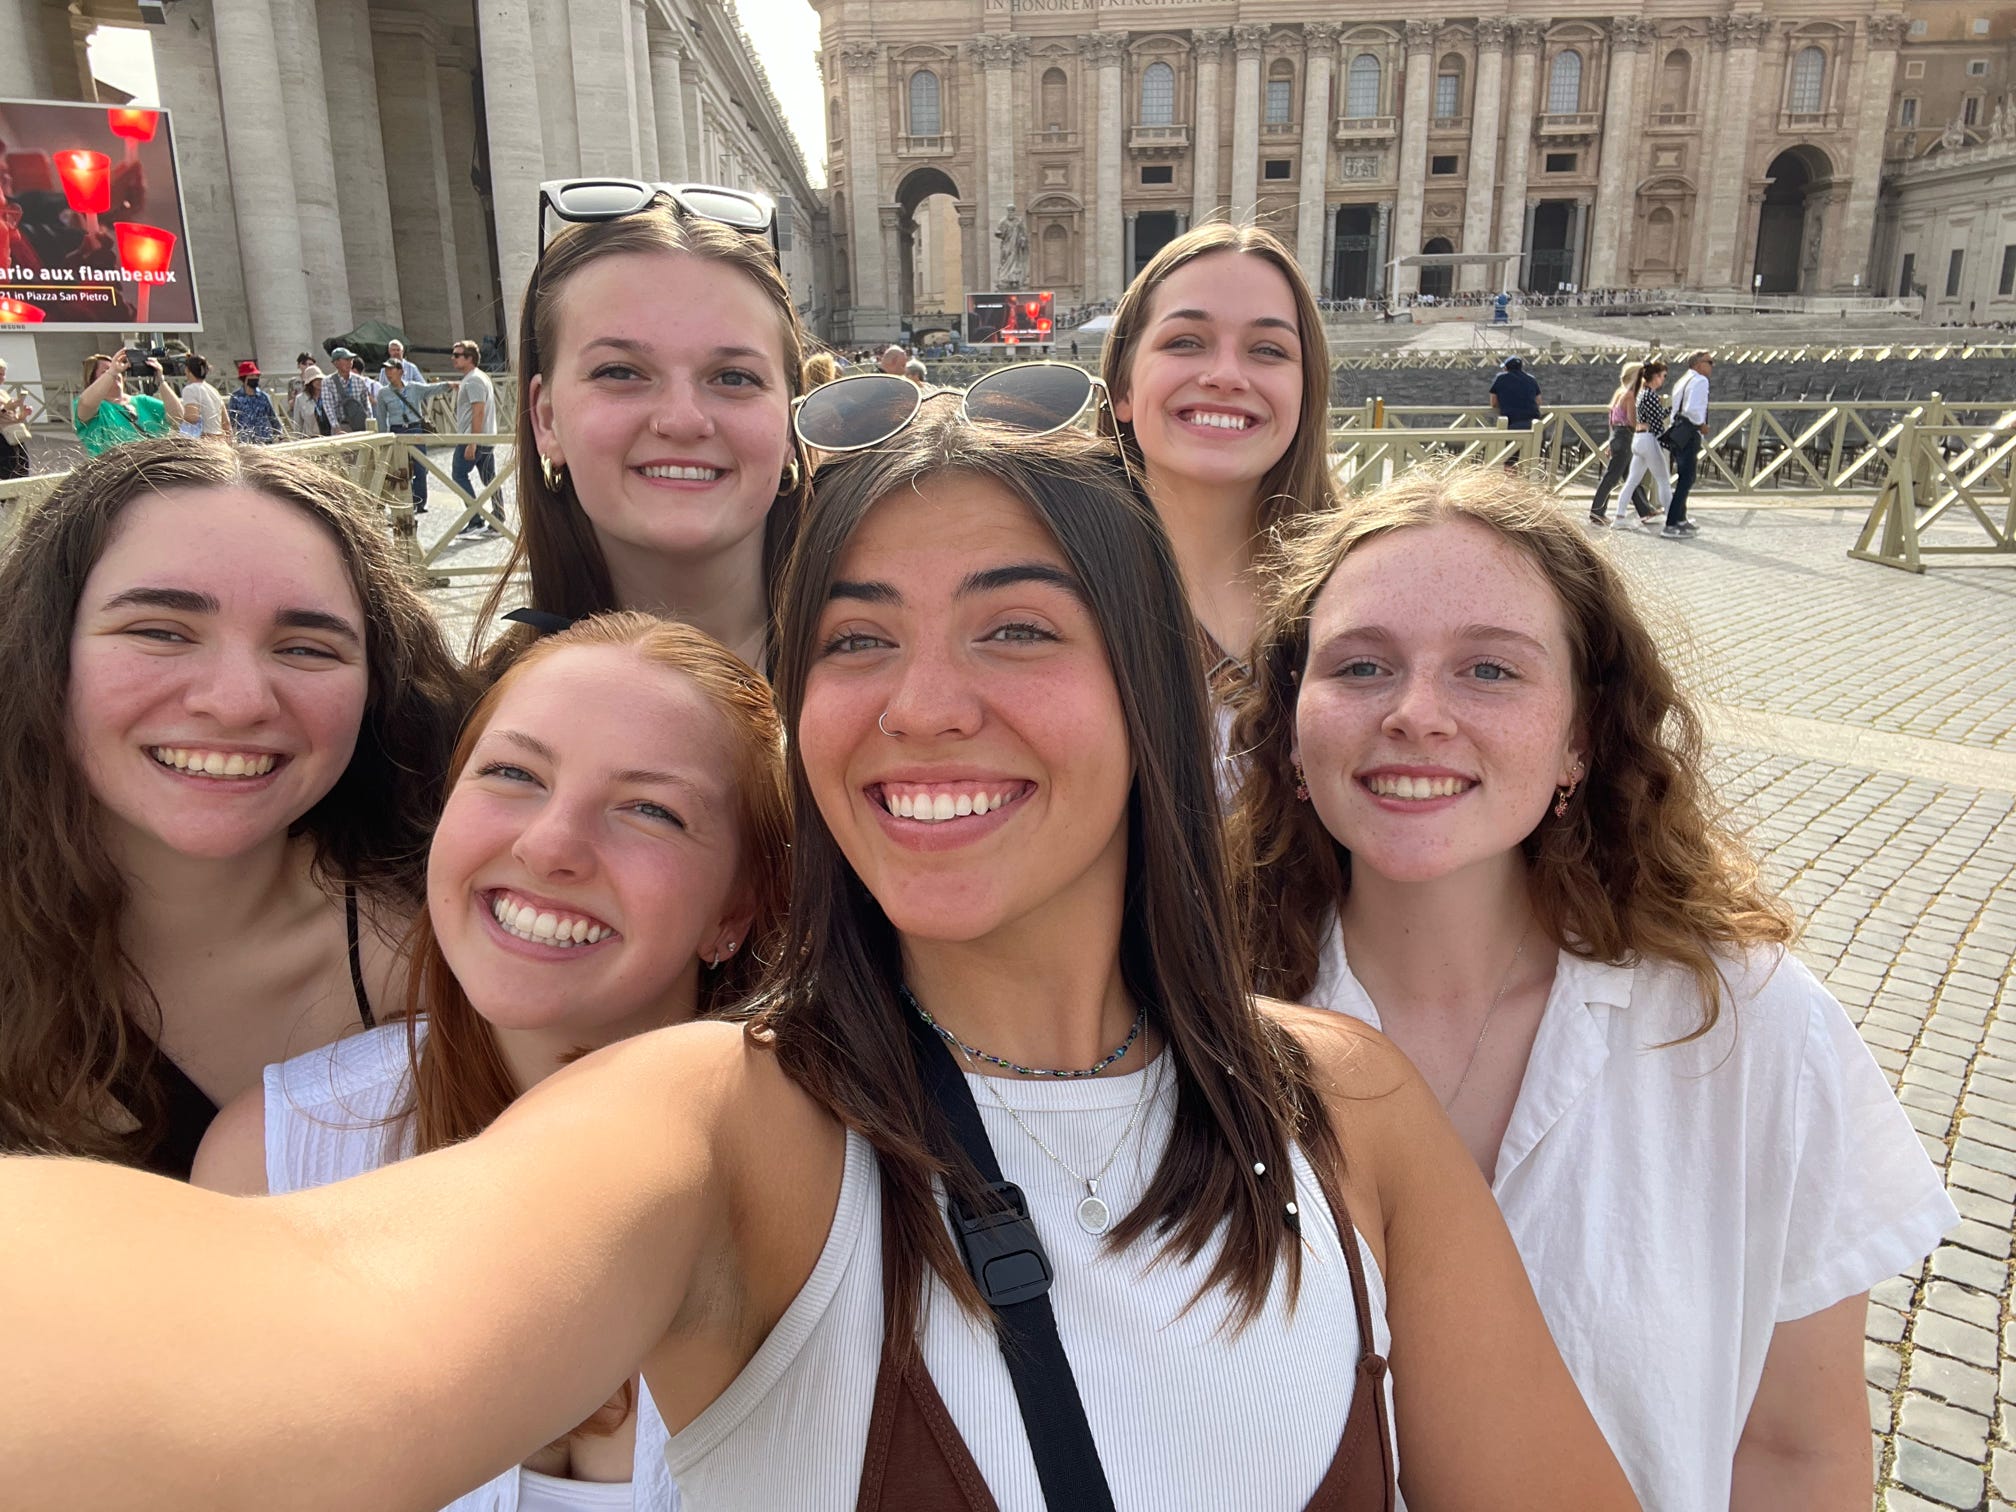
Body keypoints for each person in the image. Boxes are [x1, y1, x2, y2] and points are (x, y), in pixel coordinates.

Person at [0, 412, 1640, 1512]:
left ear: (1149, 701)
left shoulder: (1350, 1106)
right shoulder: (723, 1122)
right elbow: (321, 1324)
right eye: (855, 638)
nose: (921, 700)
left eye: (1015, 625)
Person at [1226, 467, 1957, 1511]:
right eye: (1362, 666)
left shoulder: (1751, 1028)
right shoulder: (1186, 1020)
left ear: (1579, 735)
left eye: (1489, 670)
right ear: (1294, 725)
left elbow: (1798, 1451)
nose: (1416, 714)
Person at [193, 611, 790, 1511]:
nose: (550, 844)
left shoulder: (826, 1180)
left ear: (734, 912)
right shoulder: (277, 1164)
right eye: (512, 774)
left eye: (650, 810)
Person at [0, 439, 468, 1179]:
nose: (238, 701)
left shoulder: (444, 965)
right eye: (160, 631)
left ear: (378, 685)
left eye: (307, 647)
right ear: (42, 652)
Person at [475, 192, 811, 675]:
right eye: (620, 372)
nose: (682, 420)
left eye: (734, 377)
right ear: (546, 419)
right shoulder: (454, 731)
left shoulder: (911, 701)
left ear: (788, 425)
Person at [1099, 222, 1335, 747]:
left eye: (1269, 350)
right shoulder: (1052, 592)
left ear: (1305, 391)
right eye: (1186, 342)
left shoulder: (1368, 592)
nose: (1226, 375)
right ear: (1123, 388)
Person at [72, 350, 188, 456]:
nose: (117, 374)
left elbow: (178, 417)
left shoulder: (143, 401)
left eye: (119, 371)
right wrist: (112, 371)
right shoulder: (94, 408)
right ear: (93, 380)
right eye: (105, 372)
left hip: (150, 471)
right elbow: (86, 404)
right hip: (115, 474)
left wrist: (161, 380)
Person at [375, 361, 454, 513]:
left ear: (400, 371)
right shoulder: (383, 393)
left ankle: (420, 502)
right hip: (397, 430)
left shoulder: (413, 388)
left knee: (421, 466)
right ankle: (407, 500)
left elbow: (432, 389)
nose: (388, 373)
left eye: (391, 369)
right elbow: (381, 417)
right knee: (401, 467)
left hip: (415, 428)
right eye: (386, 370)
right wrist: (384, 439)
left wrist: (449, 385)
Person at [1588, 360, 1658, 528]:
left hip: (1618, 436)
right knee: (1612, 477)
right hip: (1626, 437)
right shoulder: (1629, 396)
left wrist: (1611, 442)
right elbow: (1633, 422)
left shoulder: (1619, 393)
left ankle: (1645, 510)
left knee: (1629, 477)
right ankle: (1597, 512)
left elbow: (1612, 420)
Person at [450, 337, 504, 537]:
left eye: (457, 355)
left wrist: (471, 442)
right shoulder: (477, 378)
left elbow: (478, 411)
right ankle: (498, 519)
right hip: (485, 438)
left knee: (458, 475)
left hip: (471, 439)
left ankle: (475, 519)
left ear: (470, 358)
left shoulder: (473, 380)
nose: (452, 358)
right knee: (490, 480)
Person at [1615, 358, 1674, 525]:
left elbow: (1657, 415)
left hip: (1638, 439)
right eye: (1663, 376)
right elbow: (1657, 423)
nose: (1663, 379)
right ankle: (1672, 517)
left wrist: (1670, 410)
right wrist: (1668, 442)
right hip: (1648, 439)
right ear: (1655, 377)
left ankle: (1619, 517)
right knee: (1663, 480)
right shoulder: (1651, 396)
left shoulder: (1641, 394)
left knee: (1632, 481)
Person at [1662, 349, 1711, 538]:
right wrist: (1702, 425)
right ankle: (1671, 523)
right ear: (1698, 364)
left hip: (1678, 430)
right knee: (1687, 479)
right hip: (1690, 431)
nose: (1711, 366)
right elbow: (1692, 410)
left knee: (1684, 476)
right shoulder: (1700, 381)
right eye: (1709, 362)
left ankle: (1681, 519)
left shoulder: (1683, 380)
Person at [319, 347, 376, 437]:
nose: (350, 362)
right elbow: (328, 407)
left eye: (351, 360)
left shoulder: (359, 380)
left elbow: (366, 404)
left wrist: (370, 424)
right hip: (341, 425)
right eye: (346, 359)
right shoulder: (328, 382)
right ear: (336, 362)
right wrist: (336, 428)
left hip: (360, 425)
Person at [226, 360, 283, 444]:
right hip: (245, 443)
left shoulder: (264, 397)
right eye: (252, 375)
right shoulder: (236, 397)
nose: (255, 378)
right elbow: (231, 421)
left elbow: (273, 418)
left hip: (265, 441)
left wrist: (279, 434)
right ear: (244, 378)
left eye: (256, 375)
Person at [176, 354, 229, 441]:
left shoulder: (190, 389)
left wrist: (176, 417)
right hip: (220, 440)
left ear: (188, 370)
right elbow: (226, 423)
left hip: (205, 440)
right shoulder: (214, 390)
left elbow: (192, 417)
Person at [1486, 356, 1542, 431]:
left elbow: (1494, 403)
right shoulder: (1532, 379)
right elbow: (1538, 401)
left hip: (1511, 423)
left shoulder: (1500, 378)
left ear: (1506, 368)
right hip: (1533, 425)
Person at [0, 353, 32, 478]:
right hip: (2, 438)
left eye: (3, 374)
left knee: (22, 467)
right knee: (7, 471)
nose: (2, 377)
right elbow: (4, 411)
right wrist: (5, 408)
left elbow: (10, 416)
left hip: (14, 435)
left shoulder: (2, 392)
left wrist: (23, 415)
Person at [292, 365, 330, 438]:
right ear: (310, 382)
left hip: (330, 436)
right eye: (316, 379)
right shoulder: (300, 399)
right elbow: (297, 423)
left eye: (321, 379)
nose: (319, 382)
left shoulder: (328, 395)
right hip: (311, 438)